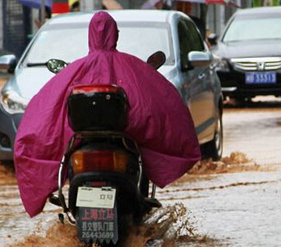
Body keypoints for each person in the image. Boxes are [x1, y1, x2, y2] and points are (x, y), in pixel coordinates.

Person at [14, 11, 201, 217]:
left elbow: (45, 108)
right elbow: (162, 104)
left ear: (90, 35)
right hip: (122, 144)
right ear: (115, 34)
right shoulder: (134, 68)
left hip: (83, 145)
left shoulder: (74, 70)